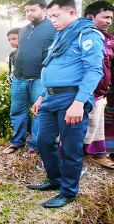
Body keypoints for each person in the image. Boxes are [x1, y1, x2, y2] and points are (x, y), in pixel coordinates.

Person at [29, 0, 104, 208]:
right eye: (50, 16)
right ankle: (55, 180)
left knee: (71, 148)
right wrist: (43, 95)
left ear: (71, 12)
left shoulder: (87, 34)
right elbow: (53, 67)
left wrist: (79, 102)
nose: (52, 20)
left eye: (55, 16)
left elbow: (93, 70)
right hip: (50, 97)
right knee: (43, 142)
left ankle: (68, 192)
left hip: (72, 98)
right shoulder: (61, 35)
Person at [3, 0, 56, 155]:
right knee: (16, 111)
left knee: (38, 112)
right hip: (19, 78)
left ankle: (35, 145)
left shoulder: (53, 27)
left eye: (33, 10)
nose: (29, 14)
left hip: (39, 78)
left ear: (44, 10)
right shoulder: (24, 29)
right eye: (27, 11)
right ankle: (17, 142)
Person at [83, 1, 114, 169]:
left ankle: (97, 153)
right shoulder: (80, 37)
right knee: (78, 125)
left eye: (111, 18)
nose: (109, 21)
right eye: (106, 17)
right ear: (90, 17)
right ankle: (73, 158)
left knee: (96, 122)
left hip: (100, 91)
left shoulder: (110, 39)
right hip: (82, 90)